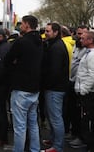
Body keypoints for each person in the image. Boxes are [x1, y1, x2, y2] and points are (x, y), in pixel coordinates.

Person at [4, 15, 43, 152]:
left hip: (21, 88)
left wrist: (16, 64)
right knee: (33, 124)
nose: (20, 26)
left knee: (19, 126)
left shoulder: (21, 42)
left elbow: (8, 60)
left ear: (27, 25)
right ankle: (35, 149)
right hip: (35, 88)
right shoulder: (40, 42)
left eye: (22, 24)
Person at [74, 31, 94, 152]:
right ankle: (89, 145)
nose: (80, 40)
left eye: (83, 38)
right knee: (85, 121)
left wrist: (83, 90)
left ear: (90, 40)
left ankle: (92, 147)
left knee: (89, 122)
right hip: (86, 92)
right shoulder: (89, 53)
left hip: (90, 94)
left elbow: (93, 75)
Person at [41, 22, 70, 152]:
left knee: (55, 118)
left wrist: (46, 84)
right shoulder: (53, 45)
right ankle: (53, 140)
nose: (45, 33)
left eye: (48, 31)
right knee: (52, 116)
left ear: (56, 32)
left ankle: (57, 146)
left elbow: (55, 71)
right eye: (45, 31)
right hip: (54, 87)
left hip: (55, 88)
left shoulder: (57, 48)